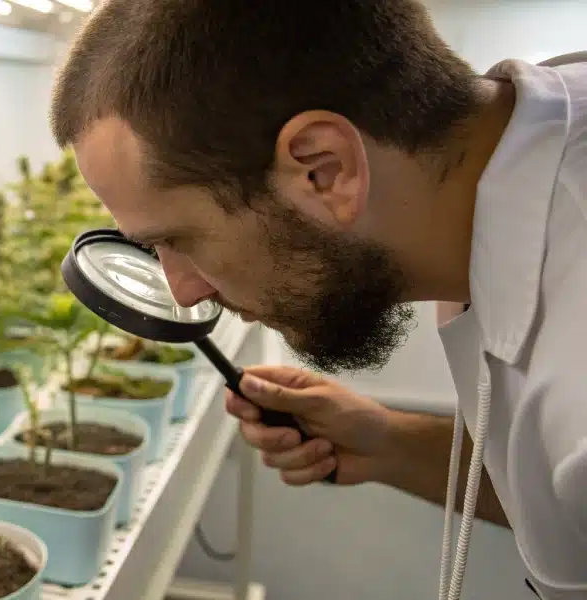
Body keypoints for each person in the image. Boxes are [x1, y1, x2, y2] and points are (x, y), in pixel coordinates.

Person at [48, 1, 587, 599]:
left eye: (177, 240)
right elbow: (563, 507)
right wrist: (392, 441)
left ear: (324, 169)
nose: (183, 289)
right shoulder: (524, 147)